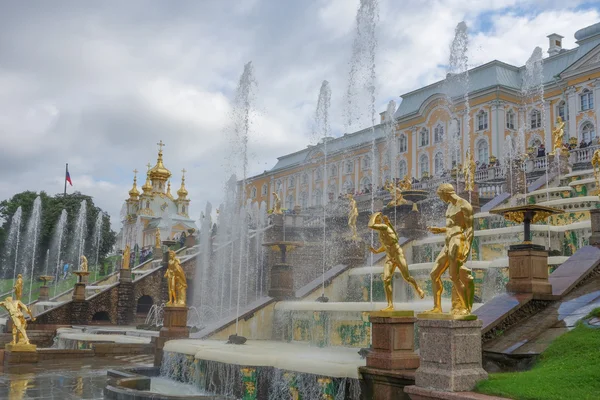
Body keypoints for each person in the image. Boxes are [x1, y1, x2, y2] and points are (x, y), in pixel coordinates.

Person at [426, 183, 475, 316]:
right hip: (448, 243)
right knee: (434, 274)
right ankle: (437, 307)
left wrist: (467, 247)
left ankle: (465, 308)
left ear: (445, 193)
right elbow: (452, 226)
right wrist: (440, 229)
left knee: (454, 276)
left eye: (441, 195)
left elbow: (470, 229)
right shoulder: (449, 206)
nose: (441, 198)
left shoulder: (464, 205)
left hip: (458, 241)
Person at [368, 212, 425, 311]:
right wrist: (377, 251)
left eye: (377, 218)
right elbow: (387, 244)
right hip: (389, 257)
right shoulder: (382, 231)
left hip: (398, 255)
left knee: (407, 277)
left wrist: (374, 216)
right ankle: (390, 305)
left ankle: (418, 288)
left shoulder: (384, 227)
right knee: (386, 280)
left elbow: (370, 225)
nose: (376, 220)